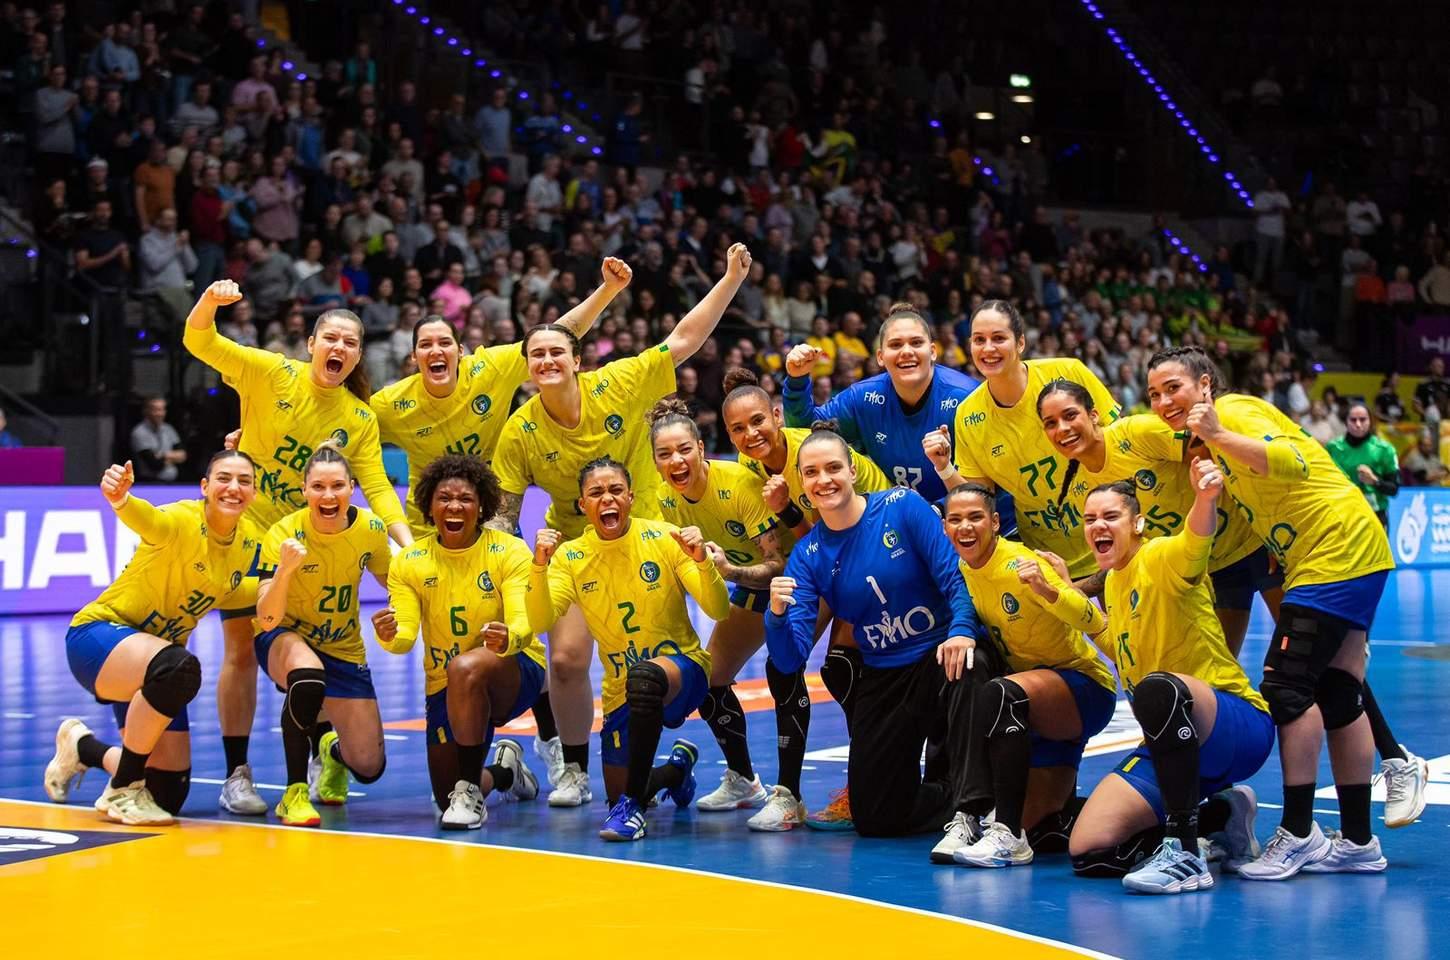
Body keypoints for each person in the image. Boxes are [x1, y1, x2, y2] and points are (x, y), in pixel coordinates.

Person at [490, 244, 752, 808]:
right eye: (535, 356)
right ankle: (575, 771)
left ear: (576, 359)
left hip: (651, 540)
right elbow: (505, 514)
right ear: (528, 368)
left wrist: (729, 277)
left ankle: (740, 775)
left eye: (556, 352)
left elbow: (684, 339)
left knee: (692, 663)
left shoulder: (620, 383)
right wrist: (507, 567)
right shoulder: (518, 431)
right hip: (579, 553)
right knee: (564, 659)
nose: (546, 363)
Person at [1146, 347, 1420, 877]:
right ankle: (1359, 842)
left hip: (1334, 553)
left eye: (1173, 387)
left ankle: (1298, 832)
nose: (1163, 401)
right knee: (1338, 692)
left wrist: (1220, 435)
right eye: (1155, 393)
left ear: (1205, 384)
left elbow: (1295, 461)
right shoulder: (1210, 444)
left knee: (1285, 688)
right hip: (1338, 552)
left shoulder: (1236, 412)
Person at [183, 279, 411, 816]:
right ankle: (238, 773)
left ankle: (323, 747)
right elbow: (200, 342)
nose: (339, 348)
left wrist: (405, 545)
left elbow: (376, 485)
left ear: (357, 355)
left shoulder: (358, 417)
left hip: (312, 543)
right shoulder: (269, 372)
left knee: (319, 655)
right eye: (330, 338)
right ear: (311, 343)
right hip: (250, 537)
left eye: (350, 343)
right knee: (240, 650)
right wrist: (209, 304)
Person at [765, 426, 993, 839]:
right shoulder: (808, 556)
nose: (824, 480)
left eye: (833, 467)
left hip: (938, 653)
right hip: (885, 671)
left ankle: (975, 808)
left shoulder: (903, 506)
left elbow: (956, 581)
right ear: (802, 483)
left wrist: (961, 631)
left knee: (971, 665)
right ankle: (946, 796)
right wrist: (777, 615)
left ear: (853, 470)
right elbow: (789, 659)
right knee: (874, 818)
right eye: (812, 472)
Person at [1066, 467, 1273, 894]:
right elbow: (1112, 638)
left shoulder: (1159, 555)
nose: (1098, 526)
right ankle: (1222, 816)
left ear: (1137, 523)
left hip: (1234, 725)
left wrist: (1205, 497)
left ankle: (1185, 853)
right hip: (1170, 738)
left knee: (1157, 689)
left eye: (1110, 516)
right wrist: (1057, 595)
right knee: (1088, 848)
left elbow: (1195, 542)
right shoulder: (1116, 582)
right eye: (1090, 520)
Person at [43, 453, 263, 825]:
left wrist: (294, 575)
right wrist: (120, 499)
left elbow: (248, 593)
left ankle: (82, 747)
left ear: (255, 493)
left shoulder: (248, 544)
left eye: (245, 481)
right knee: (180, 667)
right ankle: (121, 789)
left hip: (156, 667)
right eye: (224, 478)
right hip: (99, 638)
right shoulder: (182, 519)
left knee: (167, 794)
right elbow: (149, 519)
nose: (234, 487)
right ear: (205, 487)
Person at [722, 369, 893, 828]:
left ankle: (866, 787)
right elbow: (801, 540)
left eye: (757, 422)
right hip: (818, 564)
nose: (750, 434)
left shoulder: (814, 451)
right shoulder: (748, 468)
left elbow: (845, 528)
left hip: (874, 556)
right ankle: (788, 794)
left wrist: (788, 510)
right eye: (737, 429)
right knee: (783, 664)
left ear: (777, 416)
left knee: (844, 668)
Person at [526, 457, 728, 841]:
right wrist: (538, 567)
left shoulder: (664, 539)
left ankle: (633, 810)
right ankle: (676, 771)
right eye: (596, 493)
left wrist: (702, 561)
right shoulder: (569, 558)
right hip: (622, 690)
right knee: (618, 787)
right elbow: (539, 621)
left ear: (631, 498)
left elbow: (717, 608)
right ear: (582, 505)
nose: (608, 499)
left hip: (683, 671)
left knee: (646, 676)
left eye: (616, 490)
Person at [371, 257, 631, 540]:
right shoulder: (391, 403)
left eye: (444, 343)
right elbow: (349, 424)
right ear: (414, 357)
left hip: (493, 516)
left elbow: (557, 335)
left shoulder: (490, 369)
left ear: (460, 351)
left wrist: (608, 289)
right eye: (425, 345)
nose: (436, 351)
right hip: (430, 525)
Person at [936, 483, 1117, 868]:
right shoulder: (965, 568)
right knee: (1051, 820)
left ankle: (1009, 837)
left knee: (1000, 693)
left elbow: (1090, 619)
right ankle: (1215, 817)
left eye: (975, 517)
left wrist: (1053, 590)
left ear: (996, 522)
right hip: (1033, 704)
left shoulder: (1020, 565)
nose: (965, 527)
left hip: (1081, 686)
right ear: (946, 528)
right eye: (955, 519)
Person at [648, 399, 809, 830]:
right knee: (709, 679)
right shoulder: (662, 501)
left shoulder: (738, 484)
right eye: (664, 454)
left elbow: (778, 564)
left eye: (684, 449)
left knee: (788, 673)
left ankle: (791, 795)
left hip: (803, 580)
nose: (676, 461)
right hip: (755, 586)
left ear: (701, 448)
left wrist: (728, 570)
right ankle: (744, 780)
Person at [373, 455, 546, 828]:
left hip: (512, 670)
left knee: (465, 666)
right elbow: (404, 637)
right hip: (446, 686)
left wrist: (509, 637)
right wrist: (389, 636)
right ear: (428, 506)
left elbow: (523, 622)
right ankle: (504, 773)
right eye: (444, 498)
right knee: (442, 794)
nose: (454, 506)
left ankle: (469, 793)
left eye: (465, 499)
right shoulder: (410, 562)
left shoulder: (510, 551)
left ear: (481, 505)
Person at [1034, 380, 1266, 656]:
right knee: (1214, 673)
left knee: (1302, 670)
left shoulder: (1135, 434)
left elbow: (1215, 454)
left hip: (1253, 545)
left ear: (1094, 415)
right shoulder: (1081, 491)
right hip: (1203, 573)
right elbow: (1124, 560)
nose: (1062, 428)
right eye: (1050, 423)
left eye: (1070, 415)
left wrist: (1266, 525)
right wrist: (1064, 590)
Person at [925, 300, 1120, 584]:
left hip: (1112, 545)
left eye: (999, 338)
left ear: (1020, 343)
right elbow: (978, 498)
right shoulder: (967, 415)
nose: (988, 348)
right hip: (1047, 564)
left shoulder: (1068, 372)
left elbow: (1121, 449)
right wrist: (943, 467)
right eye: (979, 340)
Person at [253, 444, 392, 826]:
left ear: (352, 487)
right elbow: (266, 618)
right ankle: (294, 792)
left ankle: (331, 752)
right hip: (284, 637)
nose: (328, 496)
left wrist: (406, 608)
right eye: (318, 487)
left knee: (369, 766)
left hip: (343, 645)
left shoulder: (370, 530)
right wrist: (284, 571)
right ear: (304, 491)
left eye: (336, 486)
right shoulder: (283, 533)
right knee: (308, 675)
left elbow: (395, 582)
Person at [781, 303, 986, 503]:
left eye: (916, 343)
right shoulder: (862, 397)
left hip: (965, 521)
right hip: (894, 522)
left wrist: (939, 510)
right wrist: (797, 380)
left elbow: (987, 486)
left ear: (933, 351)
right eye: (895, 345)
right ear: (880, 356)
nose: (906, 351)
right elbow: (805, 434)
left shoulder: (967, 397)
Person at [1326, 402, 1400, 527]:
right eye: (1353, 420)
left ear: (1370, 421)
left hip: (1375, 516)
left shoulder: (1385, 450)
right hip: (1341, 516)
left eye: (1363, 419)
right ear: (1346, 422)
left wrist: (1375, 481)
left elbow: (1394, 489)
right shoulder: (1333, 448)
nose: (1358, 424)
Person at [130, 396, 187, 482]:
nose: (160, 414)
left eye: (162, 409)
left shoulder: (168, 429)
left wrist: (162, 456)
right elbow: (154, 464)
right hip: (149, 483)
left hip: (173, 483)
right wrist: (173, 457)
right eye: (156, 410)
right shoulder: (139, 432)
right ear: (146, 411)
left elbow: (183, 455)